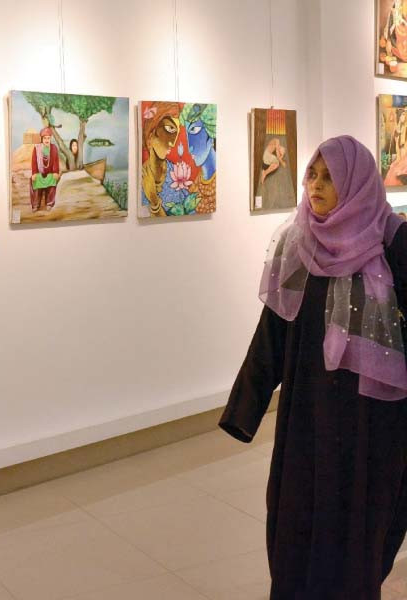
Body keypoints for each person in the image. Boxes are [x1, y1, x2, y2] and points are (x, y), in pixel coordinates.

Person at [220, 135, 407, 599]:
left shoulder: (392, 249)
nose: (316, 185)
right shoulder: (299, 247)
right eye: (312, 174)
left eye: (329, 177)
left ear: (356, 184)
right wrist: (245, 408)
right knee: (295, 529)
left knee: (358, 539)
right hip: (306, 424)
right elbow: (273, 333)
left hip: (371, 430)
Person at [140, 102, 180, 217]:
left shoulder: (176, 173)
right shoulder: (140, 177)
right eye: (169, 129)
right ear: (151, 133)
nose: (173, 143)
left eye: (177, 133)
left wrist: (154, 200)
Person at [180, 102, 217, 214]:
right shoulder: (196, 184)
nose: (189, 147)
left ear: (211, 133)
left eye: (194, 130)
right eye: (187, 134)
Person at [29, 127, 60, 211]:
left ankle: (50, 203)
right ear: (42, 139)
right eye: (45, 138)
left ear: (50, 139)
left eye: (48, 138)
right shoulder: (37, 148)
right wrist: (34, 173)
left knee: (53, 179)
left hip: (50, 173)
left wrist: (56, 172)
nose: (47, 140)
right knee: (35, 180)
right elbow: (34, 162)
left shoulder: (54, 148)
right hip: (39, 173)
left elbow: (56, 162)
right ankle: (35, 204)